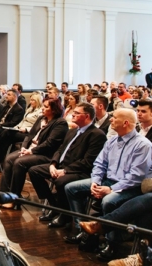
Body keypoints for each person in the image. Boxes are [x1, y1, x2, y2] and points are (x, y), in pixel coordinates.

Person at [64, 108, 152, 259]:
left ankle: (112, 244)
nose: (110, 119)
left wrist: (111, 189)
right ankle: (84, 230)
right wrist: (96, 181)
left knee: (108, 201)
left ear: (125, 123)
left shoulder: (143, 145)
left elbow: (136, 177)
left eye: (114, 117)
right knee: (71, 188)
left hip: (129, 186)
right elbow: (99, 164)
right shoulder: (111, 140)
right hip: (107, 180)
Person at [29, 102, 106, 227]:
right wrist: (53, 164)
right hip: (61, 166)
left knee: (61, 181)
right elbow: (60, 149)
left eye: (76, 113)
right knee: (34, 171)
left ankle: (64, 215)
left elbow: (88, 162)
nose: (72, 115)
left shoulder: (97, 134)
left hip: (79, 171)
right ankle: (55, 206)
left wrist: (64, 171)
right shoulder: (72, 131)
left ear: (86, 116)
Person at [0, 98, 68, 208]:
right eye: (43, 106)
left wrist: (31, 151)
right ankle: (4, 195)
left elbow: (50, 144)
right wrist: (24, 148)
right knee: (9, 158)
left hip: (45, 155)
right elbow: (29, 136)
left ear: (54, 110)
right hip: (31, 150)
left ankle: (15, 199)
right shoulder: (41, 118)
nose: (43, 108)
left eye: (46, 107)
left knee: (19, 162)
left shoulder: (60, 123)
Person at [0, 92, 43, 165]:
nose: (31, 102)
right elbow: (22, 121)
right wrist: (15, 127)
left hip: (28, 133)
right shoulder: (30, 109)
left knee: (6, 134)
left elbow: (37, 126)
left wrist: (26, 129)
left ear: (38, 101)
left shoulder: (40, 112)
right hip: (20, 130)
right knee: (5, 133)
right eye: (30, 100)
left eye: (33, 100)